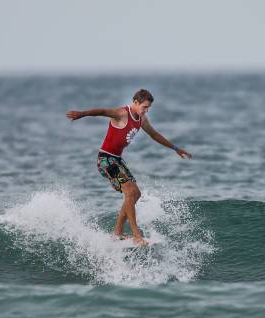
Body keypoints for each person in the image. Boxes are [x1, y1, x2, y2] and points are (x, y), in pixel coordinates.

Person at [66, 89, 192, 246]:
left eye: (148, 108)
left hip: (117, 160)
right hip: (106, 160)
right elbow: (103, 111)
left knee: (136, 194)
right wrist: (82, 114)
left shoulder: (142, 119)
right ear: (136, 102)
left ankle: (117, 232)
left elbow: (154, 135)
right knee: (130, 191)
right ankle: (137, 235)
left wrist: (176, 148)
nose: (146, 110)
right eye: (145, 107)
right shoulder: (122, 113)